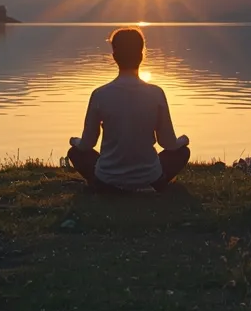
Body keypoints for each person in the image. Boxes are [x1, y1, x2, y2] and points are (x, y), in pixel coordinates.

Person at [67, 27, 191, 192]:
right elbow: (167, 143)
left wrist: (74, 141)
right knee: (182, 153)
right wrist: (183, 140)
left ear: (114, 57)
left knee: (75, 153)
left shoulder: (99, 94)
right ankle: (147, 186)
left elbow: (88, 143)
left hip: (107, 180)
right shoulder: (156, 93)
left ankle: (110, 187)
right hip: (150, 178)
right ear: (141, 56)